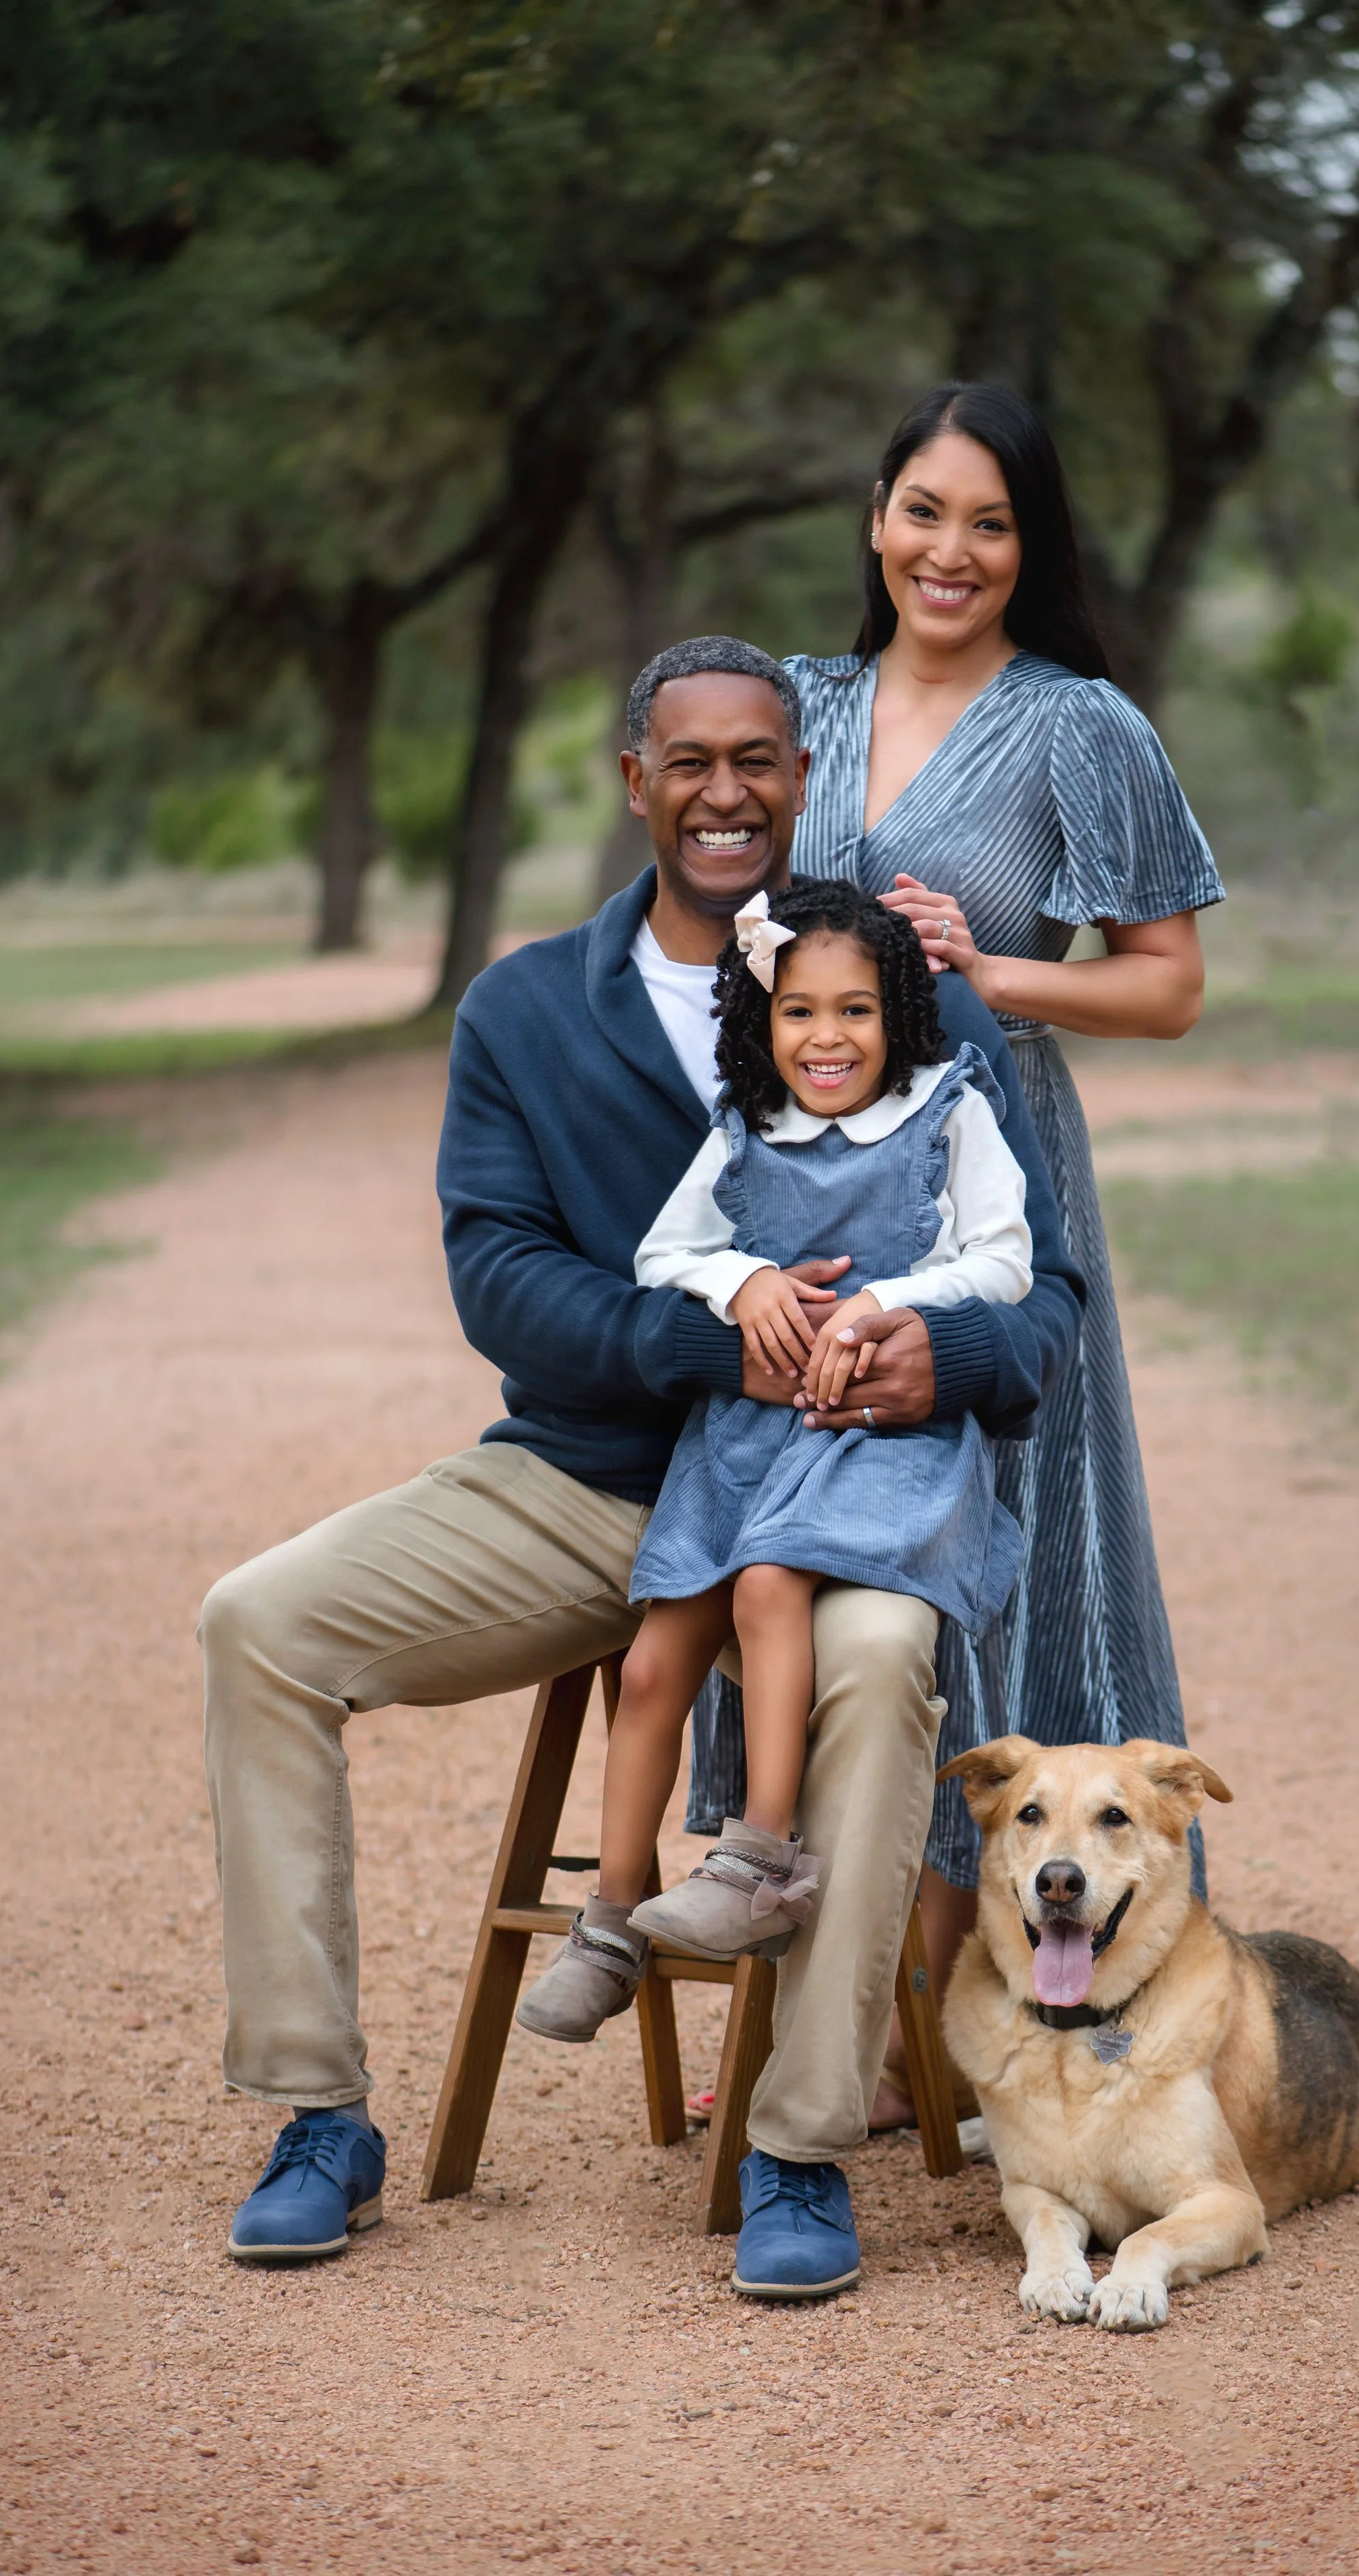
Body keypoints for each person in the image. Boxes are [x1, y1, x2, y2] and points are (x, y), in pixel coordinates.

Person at [200, 633, 1084, 2298]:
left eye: (757, 760)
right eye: (689, 762)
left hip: (837, 1501)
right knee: (256, 1622)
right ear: (636, 784)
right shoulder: (529, 1008)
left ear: (801, 777)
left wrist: (932, 1357)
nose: (725, 792)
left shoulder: (903, 980)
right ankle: (318, 2115)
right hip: (592, 1479)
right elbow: (499, 1277)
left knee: (885, 1656)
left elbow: (1044, 1297)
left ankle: (797, 2146)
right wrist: (709, 1328)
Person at [686, 384, 1226, 2126]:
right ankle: (799, 2006)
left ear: (1028, 550)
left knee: (990, 1547)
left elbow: (1166, 981)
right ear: (874, 517)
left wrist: (994, 975)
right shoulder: (799, 704)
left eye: (989, 524)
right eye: (925, 510)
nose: (951, 551)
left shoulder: (1079, 726)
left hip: (991, 1179)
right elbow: (700, 903)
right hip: (805, 1190)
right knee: (795, 1522)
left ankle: (954, 2014)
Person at [516, 879, 1032, 2063]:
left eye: (857, 1010)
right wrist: (741, 1284)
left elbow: (1003, 1261)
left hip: (873, 1436)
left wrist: (884, 1302)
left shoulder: (948, 1114)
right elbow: (665, 1251)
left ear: (900, 1012)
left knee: (766, 1590)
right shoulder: (746, 1131)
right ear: (764, 1021)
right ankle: (609, 1927)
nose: (829, 1038)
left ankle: (756, 1859)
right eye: (800, 1012)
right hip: (740, 1445)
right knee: (653, 1663)